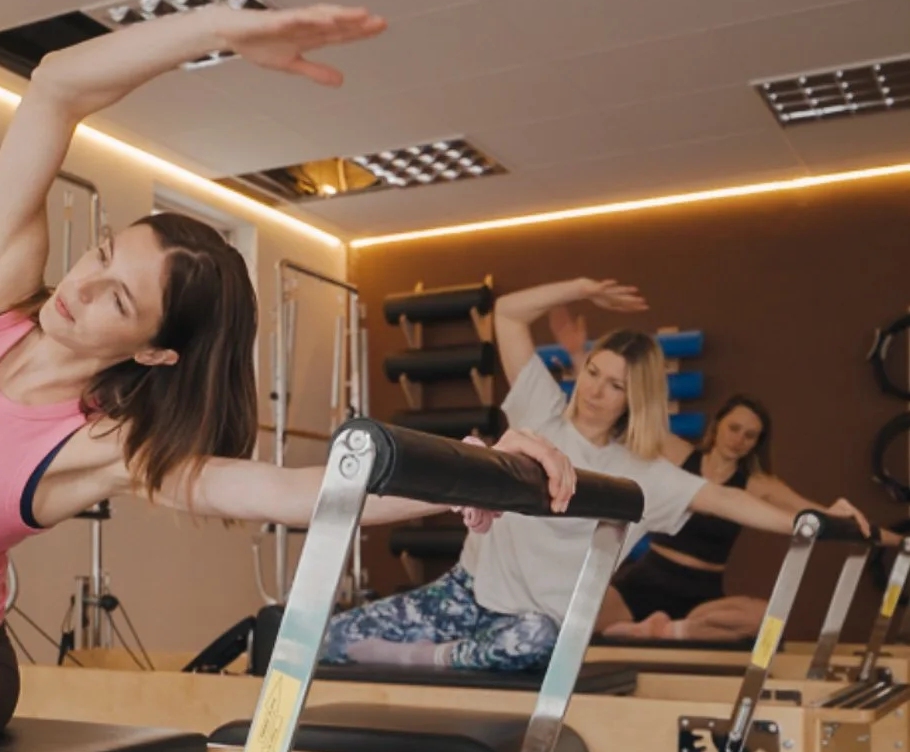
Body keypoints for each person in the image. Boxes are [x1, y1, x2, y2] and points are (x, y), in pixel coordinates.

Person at [0, 2, 575, 752]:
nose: (80, 289)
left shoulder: (106, 441)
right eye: (99, 258)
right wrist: (214, 32)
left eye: (118, 300)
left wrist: (475, 465)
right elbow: (55, 87)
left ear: (158, 352)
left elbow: (292, 491)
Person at [323, 276, 866, 673]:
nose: (594, 389)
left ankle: (423, 659)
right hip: (467, 591)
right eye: (592, 371)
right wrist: (581, 287)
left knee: (537, 639)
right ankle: (410, 650)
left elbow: (735, 503)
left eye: (615, 385)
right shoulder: (539, 410)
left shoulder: (643, 472)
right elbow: (508, 314)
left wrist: (818, 517)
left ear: (638, 400)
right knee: (328, 638)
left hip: (536, 623)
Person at [604, 394, 848, 641]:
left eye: (749, 435)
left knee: (767, 618)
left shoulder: (758, 484)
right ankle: (666, 629)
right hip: (649, 577)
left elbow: (811, 512)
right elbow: (627, 416)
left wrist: (842, 515)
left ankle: (668, 630)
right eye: (734, 428)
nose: (739, 439)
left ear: (756, 443)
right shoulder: (678, 453)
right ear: (717, 424)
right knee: (580, 614)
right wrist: (582, 362)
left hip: (701, 593)